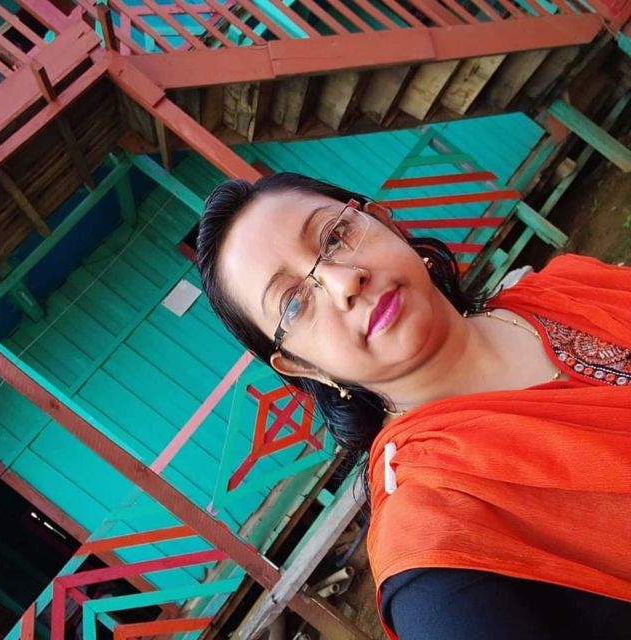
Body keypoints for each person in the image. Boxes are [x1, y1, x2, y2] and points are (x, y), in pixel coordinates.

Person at [196, 172, 631, 639]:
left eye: (335, 236)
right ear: (302, 366)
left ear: (385, 222)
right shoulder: (435, 542)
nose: (344, 283)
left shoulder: (565, 287)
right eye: (294, 306)